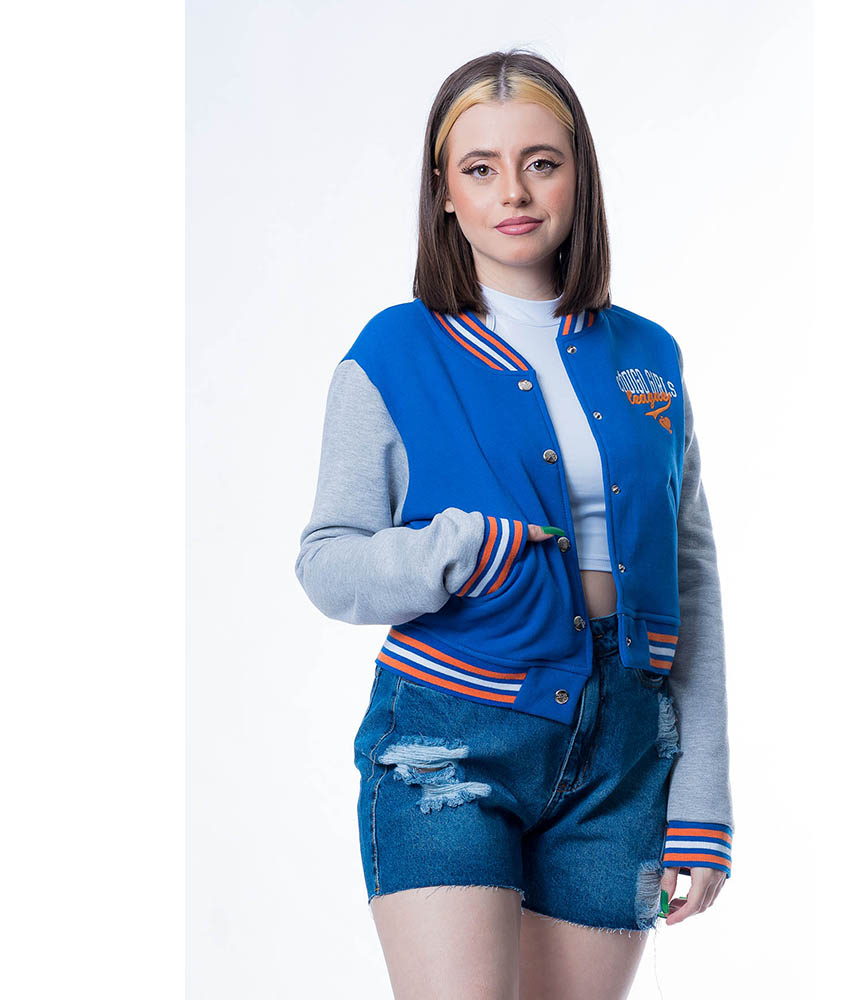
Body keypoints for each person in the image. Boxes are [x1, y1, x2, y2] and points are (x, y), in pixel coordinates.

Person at [294, 48, 734, 1000]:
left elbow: (690, 575)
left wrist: (703, 798)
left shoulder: (650, 356)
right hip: (450, 734)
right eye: (480, 168)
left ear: (580, 175)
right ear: (444, 193)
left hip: (626, 753)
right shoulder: (392, 352)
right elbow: (328, 562)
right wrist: (454, 550)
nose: (514, 193)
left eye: (541, 162)